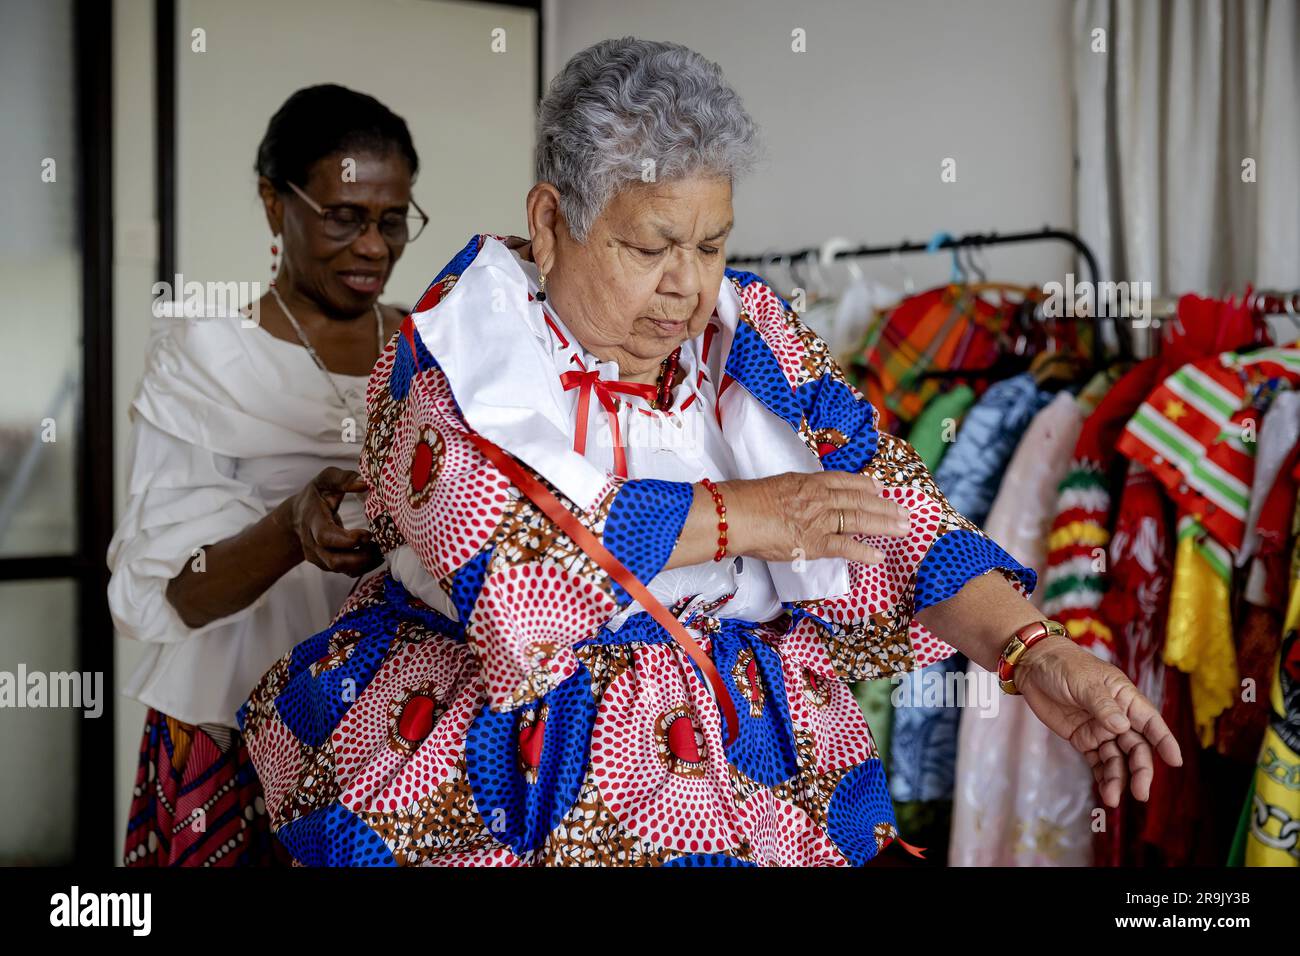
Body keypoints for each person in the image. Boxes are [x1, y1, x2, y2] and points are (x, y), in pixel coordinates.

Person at [238, 38, 1181, 867]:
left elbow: (892, 513)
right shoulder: (454, 350)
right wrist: (755, 516)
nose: (686, 286)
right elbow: (511, 558)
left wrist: (1036, 650)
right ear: (551, 218)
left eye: (713, 244)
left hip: (744, 759)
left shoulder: (751, 333)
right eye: (651, 246)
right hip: (500, 759)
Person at [107, 83, 428, 866]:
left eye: (393, 221)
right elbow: (173, 593)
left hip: (397, 725)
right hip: (235, 713)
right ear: (271, 203)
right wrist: (290, 529)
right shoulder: (205, 360)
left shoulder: (433, 348)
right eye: (344, 217)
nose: (373, 248)